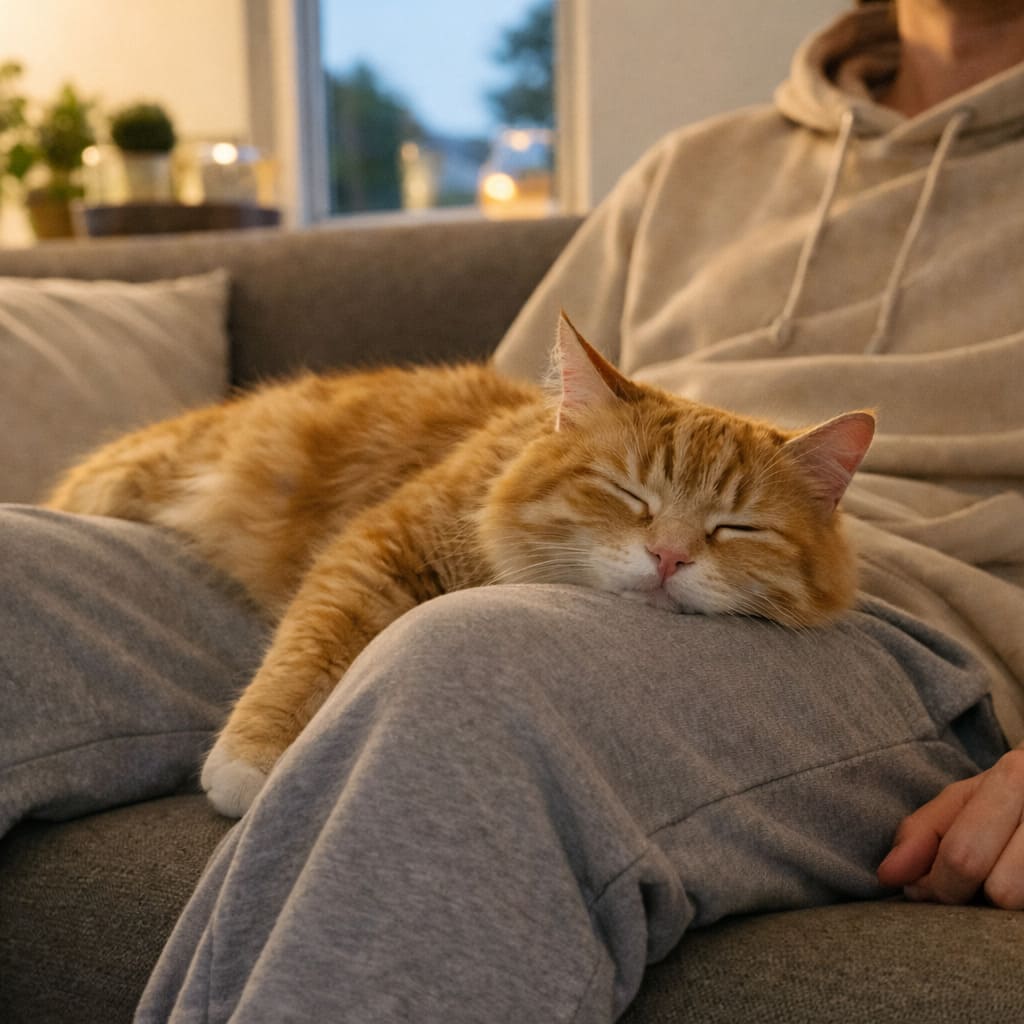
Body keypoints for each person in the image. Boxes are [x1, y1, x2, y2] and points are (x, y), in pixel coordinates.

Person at [1, 0, 1022, 1020]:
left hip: (865, 623)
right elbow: (518, 435)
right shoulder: (693, 167)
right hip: (571, 555)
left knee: (471, 664)